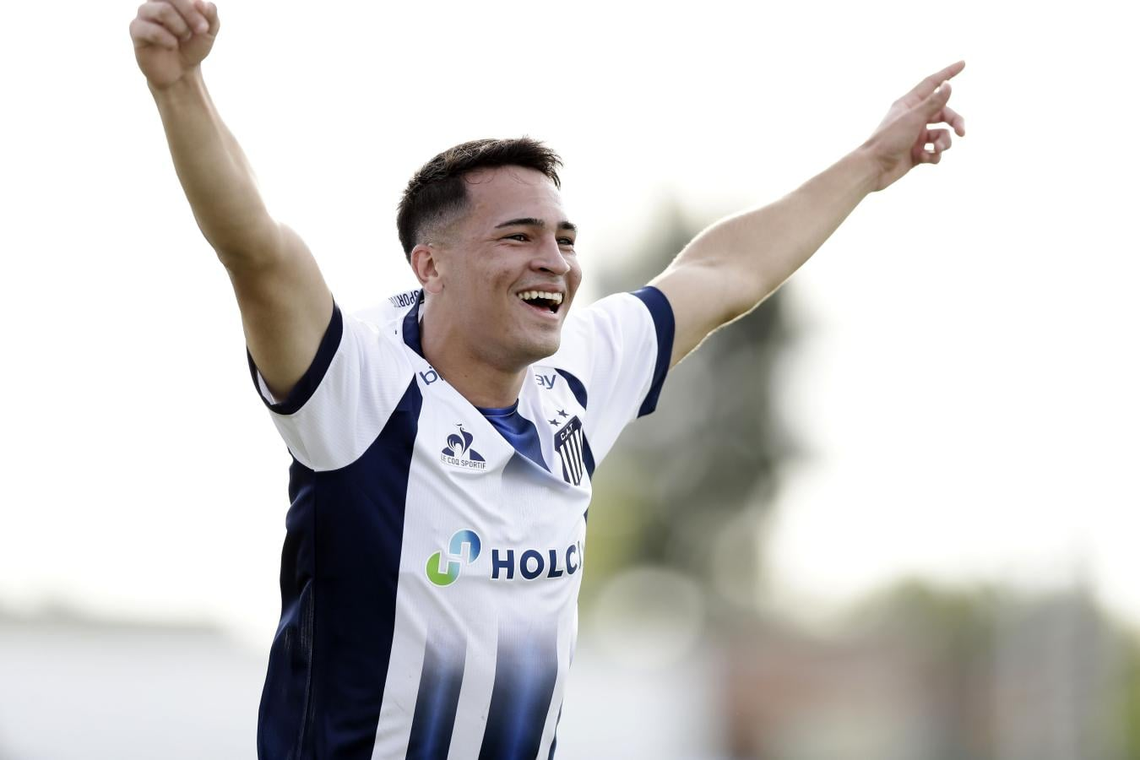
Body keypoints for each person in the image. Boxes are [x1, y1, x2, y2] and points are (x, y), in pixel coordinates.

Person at [130, 1, 966, 758]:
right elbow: (256, 247)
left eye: (565, 239)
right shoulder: (360, 386)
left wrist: (871, 162)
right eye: (519, 236)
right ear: (430, 266)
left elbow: (723, 273)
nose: (555, 261)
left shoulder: (575, 382)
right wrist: (181, 85)